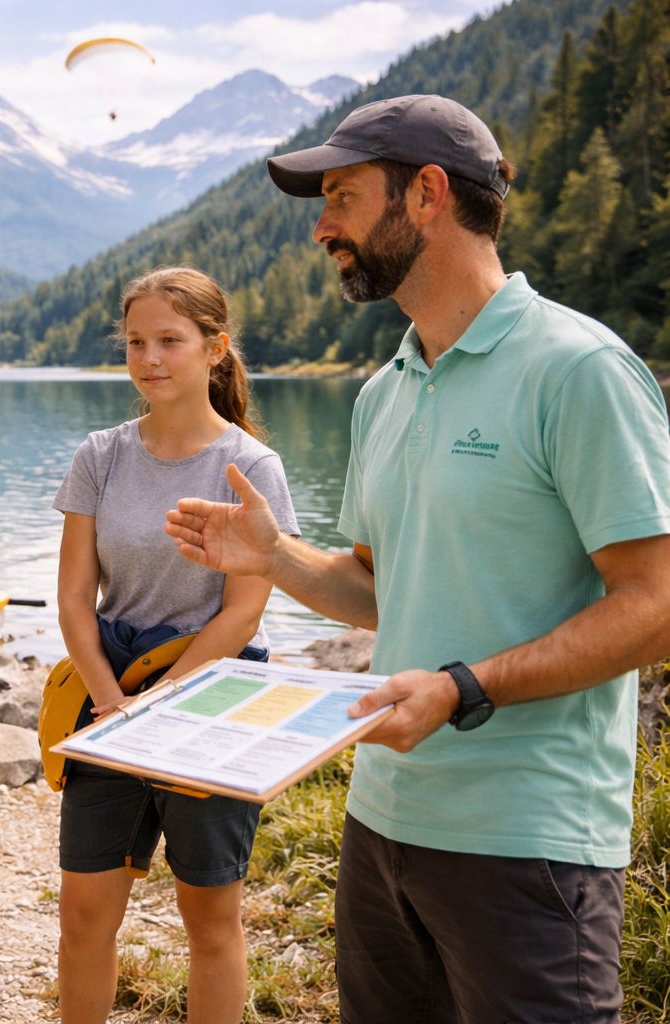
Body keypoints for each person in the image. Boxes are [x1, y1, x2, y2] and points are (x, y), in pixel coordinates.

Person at [164, 95, 670, 1023]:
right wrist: (276, 557)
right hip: (383, 825)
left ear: (428, 193)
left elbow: (656, 606)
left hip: (531, 842)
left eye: (343, 198)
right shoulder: (385, 392)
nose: (322, 227)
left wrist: (463, 687)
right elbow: (383, 591)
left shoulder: (579, 369)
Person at [53, 266, 298, 1024]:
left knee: (211, 922)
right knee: (84, 914)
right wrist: (109, 700)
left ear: (215, 348)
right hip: (108, 696)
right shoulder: (101, 455)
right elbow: (72, 600)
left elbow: (242, 616)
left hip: (216, 698)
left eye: (170, 340)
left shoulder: (252, 469)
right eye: (135, 342)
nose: (149, 358)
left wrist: (153, 708)